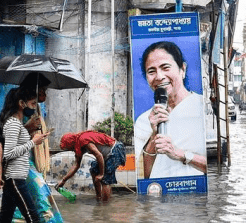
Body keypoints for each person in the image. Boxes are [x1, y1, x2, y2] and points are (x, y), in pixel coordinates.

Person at [0, 86, 50, 223]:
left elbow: (17, 147)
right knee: (33, 218)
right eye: (32, 103)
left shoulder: (16, 124)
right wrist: (32, 142)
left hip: (14, 178)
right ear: (21, 104)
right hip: (15, 178)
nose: (34, 107)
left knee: (5, 218)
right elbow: (8, 154)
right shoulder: (13, 124)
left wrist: (32, 135)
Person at [133, 41, 207, 179]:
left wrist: (180, 154)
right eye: (151, 71)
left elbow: (217, 166)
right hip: (158, 195)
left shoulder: (204, 108)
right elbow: (144, 176)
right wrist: (153, 137)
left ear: (182, 69)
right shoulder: (144, 120)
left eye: (165, 67)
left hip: (195, 195)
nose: (159, 77)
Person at [2, 81, 63, 223]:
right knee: (40, 196)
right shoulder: (14, 121)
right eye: (41, 92)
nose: (44, 96)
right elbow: (9, 150)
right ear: (22, 103)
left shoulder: (31, 113)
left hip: (26, 164)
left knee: (14, 206)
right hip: (19, 167)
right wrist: (30, 133)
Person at [57, 130, 126, 201]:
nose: (70, 150)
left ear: (70, 143)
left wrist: (101, 174)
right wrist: (63, 180)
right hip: (105, 155)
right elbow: (76, 165)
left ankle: (106, 205)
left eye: (68, 148)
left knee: (105, 179)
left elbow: (99, 155)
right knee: (94, 170)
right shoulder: (78, 146)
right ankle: (99, 198)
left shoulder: (83, 140)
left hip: (115, 150)